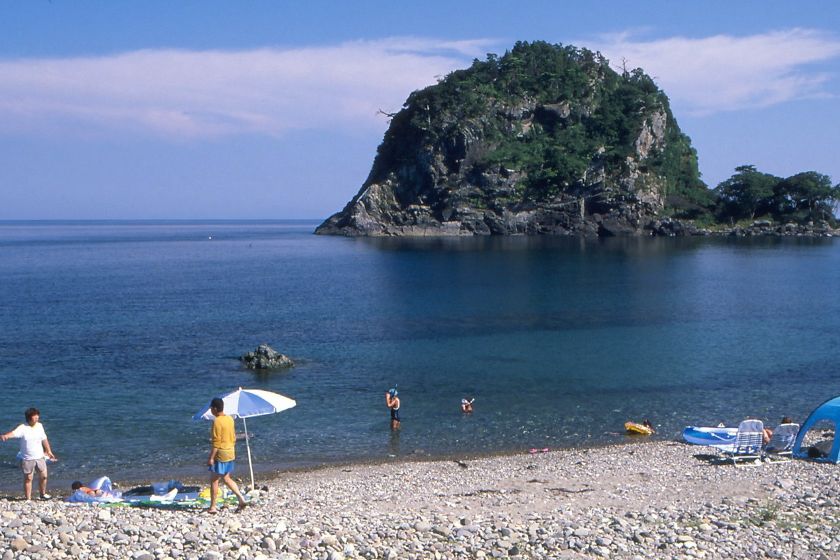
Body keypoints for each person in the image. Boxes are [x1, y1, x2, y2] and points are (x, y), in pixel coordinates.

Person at [1, 407, 57, 500]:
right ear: (29, 417)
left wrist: (49, 451)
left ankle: (42, 494)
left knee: (44, 476)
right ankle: (28, 499)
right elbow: (13, 433)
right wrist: (6, 436)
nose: (37, 417)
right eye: (35, 416)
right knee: (28, 479)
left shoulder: (40, 426)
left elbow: (44, 439)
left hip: (40, 457)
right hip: (27, 458)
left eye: (37, 415)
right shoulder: (23, 427)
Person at [206, 397, 247, 514]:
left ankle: (213, 507)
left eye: (211, 408)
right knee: (226, 478)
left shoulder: (217, 421)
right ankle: (240, 498)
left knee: (214, 480)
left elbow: (216, 443)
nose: (211, 411)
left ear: (215, 408)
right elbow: (233, 437)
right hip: (231, 451)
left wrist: (211, 458)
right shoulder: (230, 419)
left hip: (221, 453)